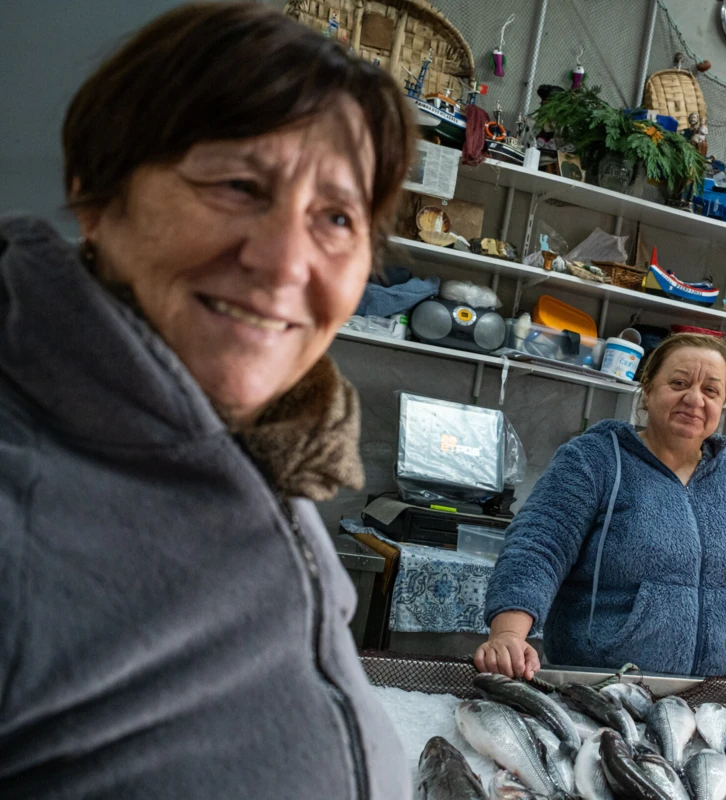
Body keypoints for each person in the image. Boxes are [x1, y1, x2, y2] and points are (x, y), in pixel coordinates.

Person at [0, 5, 415, 797]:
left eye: (336, 217)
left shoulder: (269, 449)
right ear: (96, 192)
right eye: (236, 185)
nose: (285, 261)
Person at [475, 334, 726, 696]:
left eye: (710, 390)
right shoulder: (593, 460)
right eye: (679, 384)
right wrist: (509, 635)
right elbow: (539, 547)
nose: (695, 399)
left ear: (722, 405)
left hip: (723, 697)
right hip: (604, 689)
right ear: (647, 391)